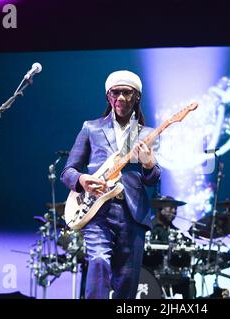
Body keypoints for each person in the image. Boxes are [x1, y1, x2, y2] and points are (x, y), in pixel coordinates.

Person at [61, 70, 161, 299]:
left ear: (137, 97)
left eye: (127, 93)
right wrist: (82, 180)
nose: (121, 98)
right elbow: (68, 171)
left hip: (132, 214)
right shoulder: (91, 128)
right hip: (97, 211)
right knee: (97, 263)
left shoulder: (146, 134)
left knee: (127, 284)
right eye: (116, 93)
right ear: (108, 96)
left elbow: (154, 180)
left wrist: (148, 165)